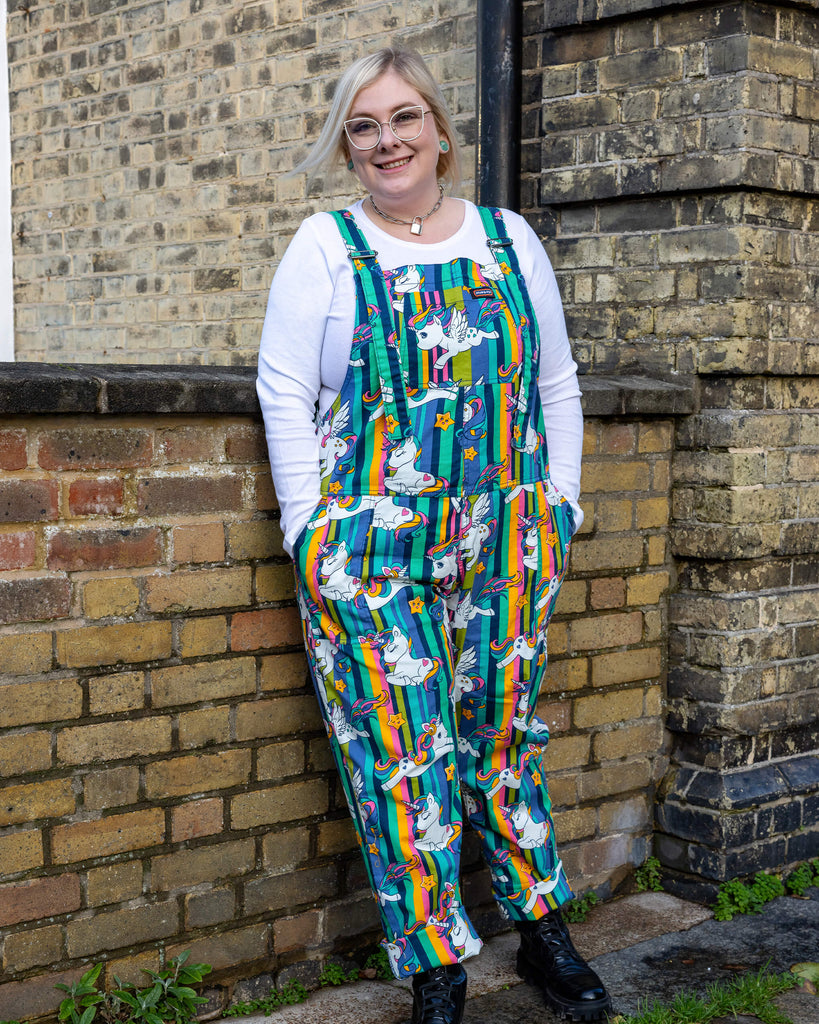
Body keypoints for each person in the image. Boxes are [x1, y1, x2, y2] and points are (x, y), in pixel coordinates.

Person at [257, 46, 612, 1024]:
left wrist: (562, 501)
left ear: (442, 133)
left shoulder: (507, 240)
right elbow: (284, 395)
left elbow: (556, 382)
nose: (386, 140)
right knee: (398, 750)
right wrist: (306, 531)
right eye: (364, 126)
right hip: (370, 550)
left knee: (502, 737)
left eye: (404, 118)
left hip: (509, 534)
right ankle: (436, 964)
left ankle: (542, 931)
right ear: (347, 146)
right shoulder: (326, 249)